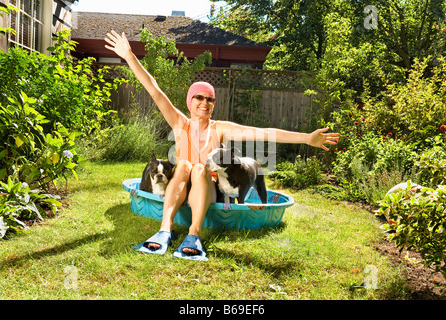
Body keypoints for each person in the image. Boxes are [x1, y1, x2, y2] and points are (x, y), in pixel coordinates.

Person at [104, 30, 339, 261]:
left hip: (210, 191)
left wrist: (307, 138)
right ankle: (165, 229)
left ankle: (194, 233)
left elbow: (263, 132)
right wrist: (129, 57)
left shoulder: (220, 128)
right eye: (199, 97)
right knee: (184, 164)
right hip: (182, 188)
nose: (204, 102)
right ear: (190, 101)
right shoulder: (179, 123)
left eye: (210, 99)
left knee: (199, 168)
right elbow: (154, 90)